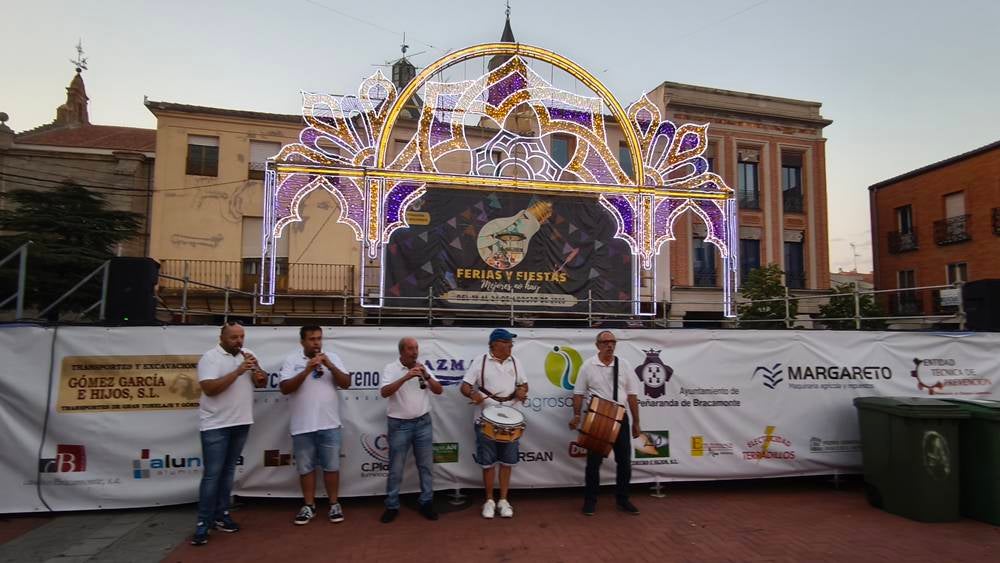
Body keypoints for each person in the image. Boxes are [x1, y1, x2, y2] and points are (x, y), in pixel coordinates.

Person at [191, 321, 267, 546]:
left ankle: (221, 515)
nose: (239, 341)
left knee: (228, 472)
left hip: (241, 421)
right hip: (216, 424)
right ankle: (203, 523)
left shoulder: (247, 354)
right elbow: (209, 389)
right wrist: (238, 371)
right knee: (212, 475)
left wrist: (257, 370)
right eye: (234, 337)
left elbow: (261, 383)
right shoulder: (210, 358)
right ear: (222, 338)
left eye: (241, 336)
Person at [279, 325, 351, 525]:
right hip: (302, 425)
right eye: (312, 339)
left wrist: (330, 366)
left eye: (319, 338)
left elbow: (346, 383)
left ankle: (334, 504)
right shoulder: (292, 360)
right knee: (305, 468)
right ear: (302, 341)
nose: (316, 343)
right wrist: (307, 370)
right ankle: (309, 506)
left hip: (329, 423)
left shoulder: (332, 357)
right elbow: (285, 388)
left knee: (332, 467)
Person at [569, 330, 642, 516]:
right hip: (598, 417)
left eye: (613, 342)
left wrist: (636, 422)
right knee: (593, 463)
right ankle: (590, 501)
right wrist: (576, 415)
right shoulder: (588, 365)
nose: (610, 345)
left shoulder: (624, 365)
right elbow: (578, 393)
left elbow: (632, 395)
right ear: (597, 345)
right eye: (606, 342)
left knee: (624, 461)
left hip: (620, 416)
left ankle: (623, 499)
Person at [460, 328, 528, 519]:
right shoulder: (480, 361)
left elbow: (524, 384)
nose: (510, 345)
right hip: (485, 418)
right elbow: (464, 386)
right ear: (494, 344)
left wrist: (522, 391)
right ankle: (489, 500)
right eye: (507, 342)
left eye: (511, 342)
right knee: (487, 462)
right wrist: (472, 394)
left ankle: (504, 500)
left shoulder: (516, 361)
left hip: (511, 418)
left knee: (507, 462)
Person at [379, 337, 443, 523]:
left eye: (416, 348)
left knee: (426, 466)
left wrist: (427, 376)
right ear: (401, 351)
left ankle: (426, 502)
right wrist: (405, 377)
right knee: (396, 468)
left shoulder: (423, 367)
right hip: (399, 425)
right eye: (410, 349)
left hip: (423, 423)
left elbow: (439, 390)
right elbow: (384, 392)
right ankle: (392, 505)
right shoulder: (391, 368)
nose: (414, 352)